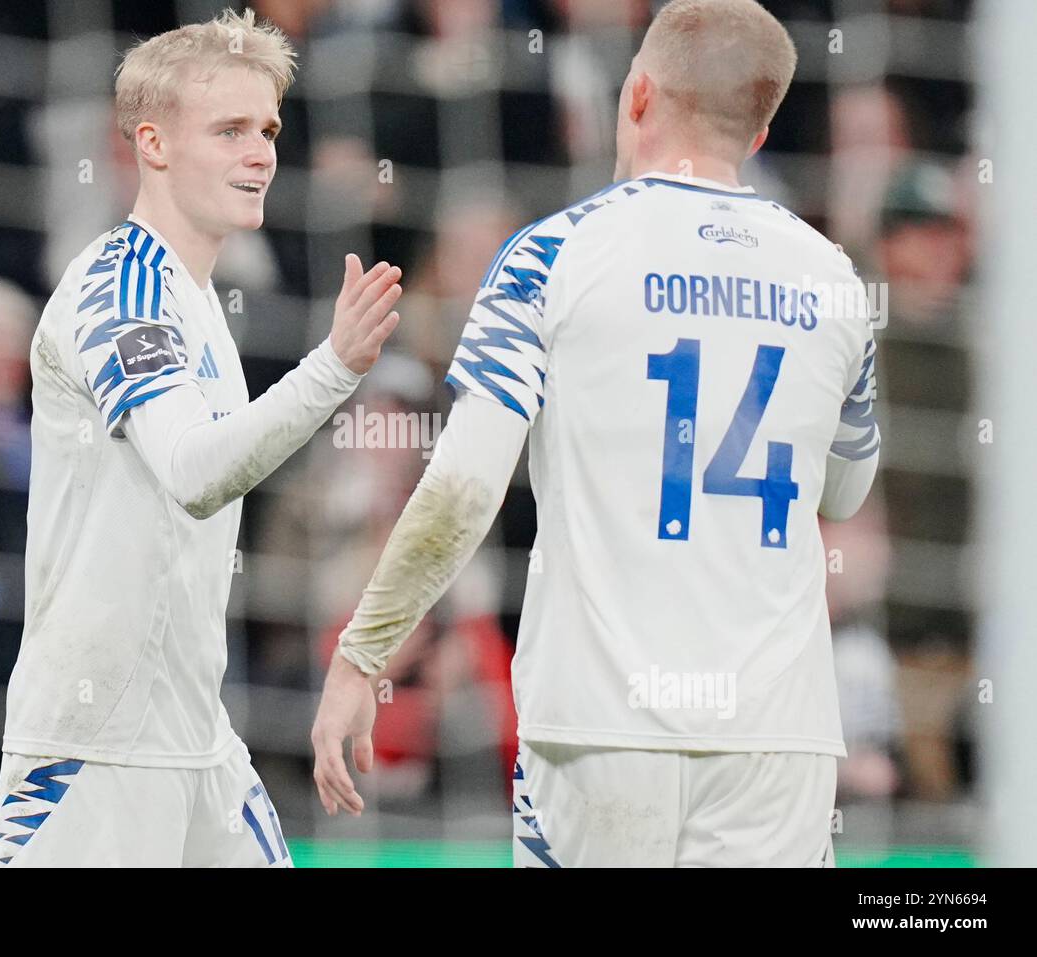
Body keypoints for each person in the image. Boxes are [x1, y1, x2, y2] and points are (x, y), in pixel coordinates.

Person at [311, 0, 880, 867]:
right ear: (759, 136)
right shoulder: (834, 279)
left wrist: (361, 660)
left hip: (601, 724)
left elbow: (463, 487)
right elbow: (848, 490)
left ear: (638, 95)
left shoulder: (554, 253)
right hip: (779, 736)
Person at [0, 8, 402, 867]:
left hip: (196, 738)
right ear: (153, 144)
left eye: (268, 130)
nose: (261, 154)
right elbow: (189, 469)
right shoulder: (120, 283)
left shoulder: (200, 296)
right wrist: (334, 367)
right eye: (230, 130)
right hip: (94, 749)